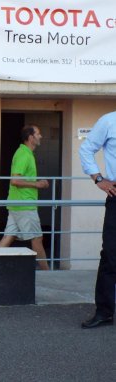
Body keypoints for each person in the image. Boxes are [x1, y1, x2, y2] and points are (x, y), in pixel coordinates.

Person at [79, 111, 116, 329]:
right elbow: (86, 149)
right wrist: (98, 178)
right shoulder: (109, 121)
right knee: (111, 255)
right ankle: (104, 311)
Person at [0, 125, 50, 271]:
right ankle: (47, 273)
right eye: (38, 134)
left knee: (8, 237)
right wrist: (37, 184)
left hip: (17, 204)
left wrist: (37, 183)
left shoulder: (25, 153)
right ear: (30, 137)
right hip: (24, 205)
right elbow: (15, 180)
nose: (41, 136)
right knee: (37, 238)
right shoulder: (24, 154)